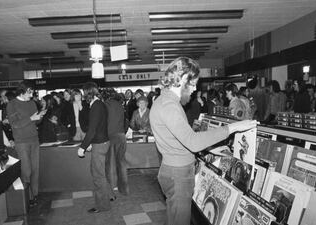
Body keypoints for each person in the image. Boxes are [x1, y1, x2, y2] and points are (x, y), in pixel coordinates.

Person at [149, 57, 257, 225]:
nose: (194, 90)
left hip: (171, 169)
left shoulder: (163, 101)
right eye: (193, 84)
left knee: (174, 218)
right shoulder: (170, 106)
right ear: (183, 79)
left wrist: (208, 146)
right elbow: (192, 141)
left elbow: (179, 139)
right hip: (178, 174)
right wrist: (232, 128)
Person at [7, 80, 46, 206]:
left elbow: (35, 123)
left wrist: (40, 117)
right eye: (30, 92)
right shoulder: (12, 104)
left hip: (34, 139)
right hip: (21, 142)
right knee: (26, 170)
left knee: (35, 169)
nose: (31, 95)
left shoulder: (32, 103)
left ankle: (34, 196)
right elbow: (14, 124)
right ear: (22, 91)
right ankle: (26, 197)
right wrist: (31, 118)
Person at [77, 82, 111, 213]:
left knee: (98, 176)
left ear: (88, 93)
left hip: (100, 144)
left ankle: (103, 206)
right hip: (102, 142)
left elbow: (92, 130)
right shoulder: (99, 104)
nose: (83, 96)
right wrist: (91, 142)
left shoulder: (96, 106)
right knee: (100, 173)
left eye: (84, 93)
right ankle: (109, 198)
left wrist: (83, 147)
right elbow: (99, 127)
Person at [104, 89, 129, 197]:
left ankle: (110, 190)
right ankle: (124, 189)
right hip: (121, 136)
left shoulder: (105, 105)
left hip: (110, 136)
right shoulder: (120, 105)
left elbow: (104, 122)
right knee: (121, 163)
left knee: (109, 164)